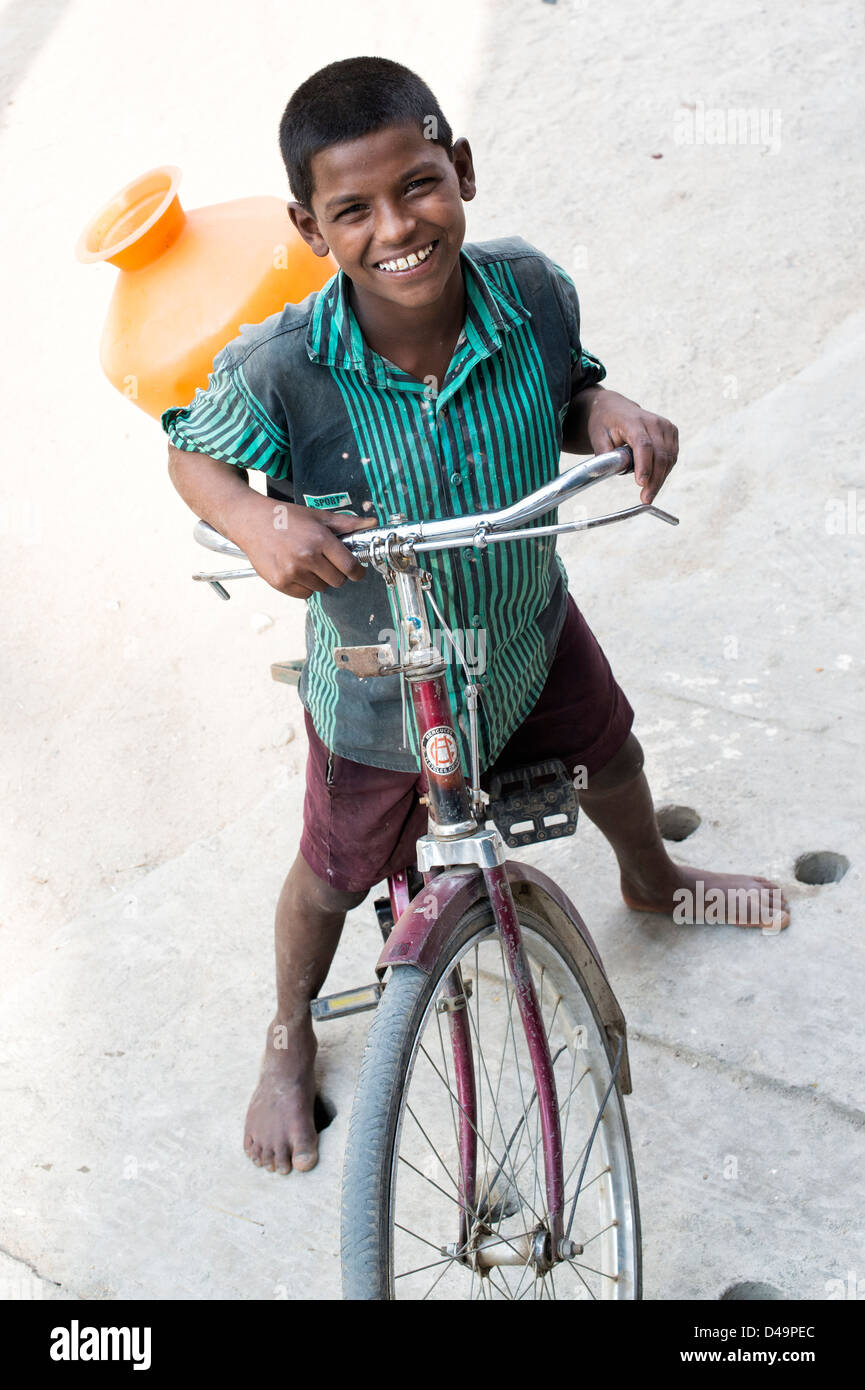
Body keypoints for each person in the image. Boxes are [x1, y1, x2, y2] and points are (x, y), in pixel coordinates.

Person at [164, 57, 789, 1177]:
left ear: (461, 171)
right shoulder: (283, 368)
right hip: (376, 673)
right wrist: (256, 523)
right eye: (353, 210)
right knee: (332, 872)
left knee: (611, 753)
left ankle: (650, 877)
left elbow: (564, 392)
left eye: (419, 186)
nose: (395, 227)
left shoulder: (533, 292)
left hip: (521, 624)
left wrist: (609, 410)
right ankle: (287, 1032)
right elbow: (193, 456)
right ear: (313, 229)